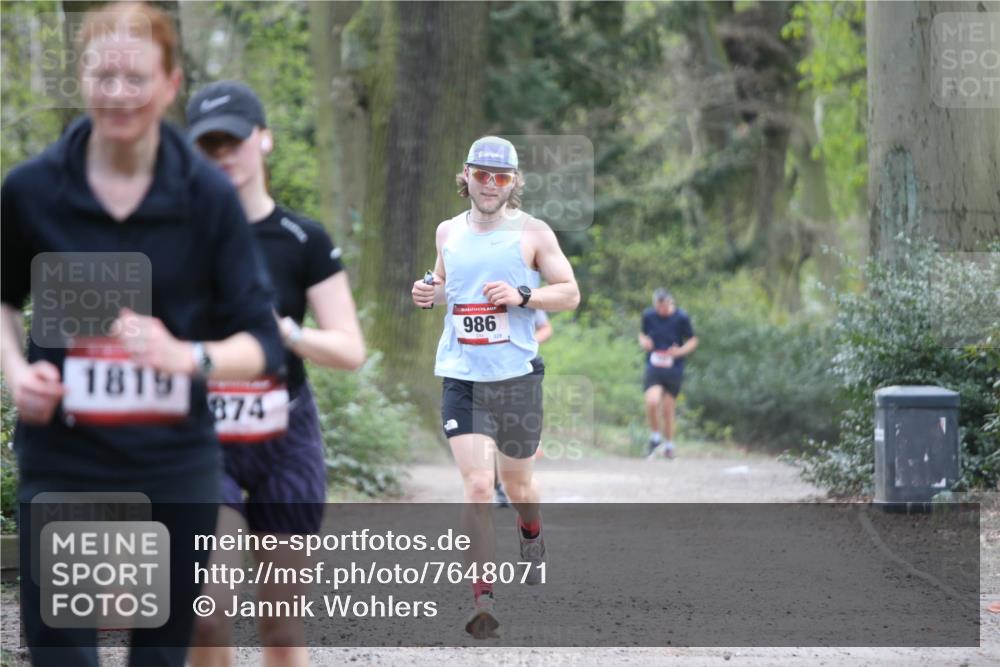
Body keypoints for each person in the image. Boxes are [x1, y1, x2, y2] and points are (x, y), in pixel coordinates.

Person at [0, 4, 284, 666]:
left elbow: (261, 344)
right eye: (105, 77)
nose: (119, 95)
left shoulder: (207, 199)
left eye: (136, 79)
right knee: (63, 651)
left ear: (169, 85)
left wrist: (185, 355)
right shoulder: (31, 191)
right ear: (83, 78)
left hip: (172, 462)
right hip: (65, 458)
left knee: (158, 654)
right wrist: (17, 371)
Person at [185, 80, 365, 667]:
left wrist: (285, 332)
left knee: (280, 624)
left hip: (286, 434)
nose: (222, 156)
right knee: (206, 614)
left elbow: (349, 348)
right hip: (199, 435)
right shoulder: (175, 238)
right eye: (207, 147)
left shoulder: (302, 238)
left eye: (232, 141)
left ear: (264, 139)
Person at [411, 136, 580, 638]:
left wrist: (523, 294)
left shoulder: (533, 232)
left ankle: (531, 530)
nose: (490, 185)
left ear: (513, 183)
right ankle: (482, 596)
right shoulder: (447, 231)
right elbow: (447, 286)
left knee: (519, 485)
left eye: (501, 177)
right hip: (462, 376)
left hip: (517, 379)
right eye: (482, 175)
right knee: (480, 485)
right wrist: (428, 292)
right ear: (466, 176)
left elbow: (569, 293)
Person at [495, 298, 552, 507]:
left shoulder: (525, 295)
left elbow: (546, 328)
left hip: (521, 370)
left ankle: (511, 482)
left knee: (514, 432)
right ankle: (499, 484)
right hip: (485, 369)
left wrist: (527, 342)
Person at [638, 289, 698, 459]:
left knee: (667, 409)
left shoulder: (681, 317)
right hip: (654, 365)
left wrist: (679, 352)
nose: (661, 310)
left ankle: (669, 445)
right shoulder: (648, 315)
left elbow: (693, 340)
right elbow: (642, 334)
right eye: (658, 307)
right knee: (652, 401)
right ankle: (655, 437)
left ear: (670, 303)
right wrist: (644, 342)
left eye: (663, 307)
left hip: (674, 368)